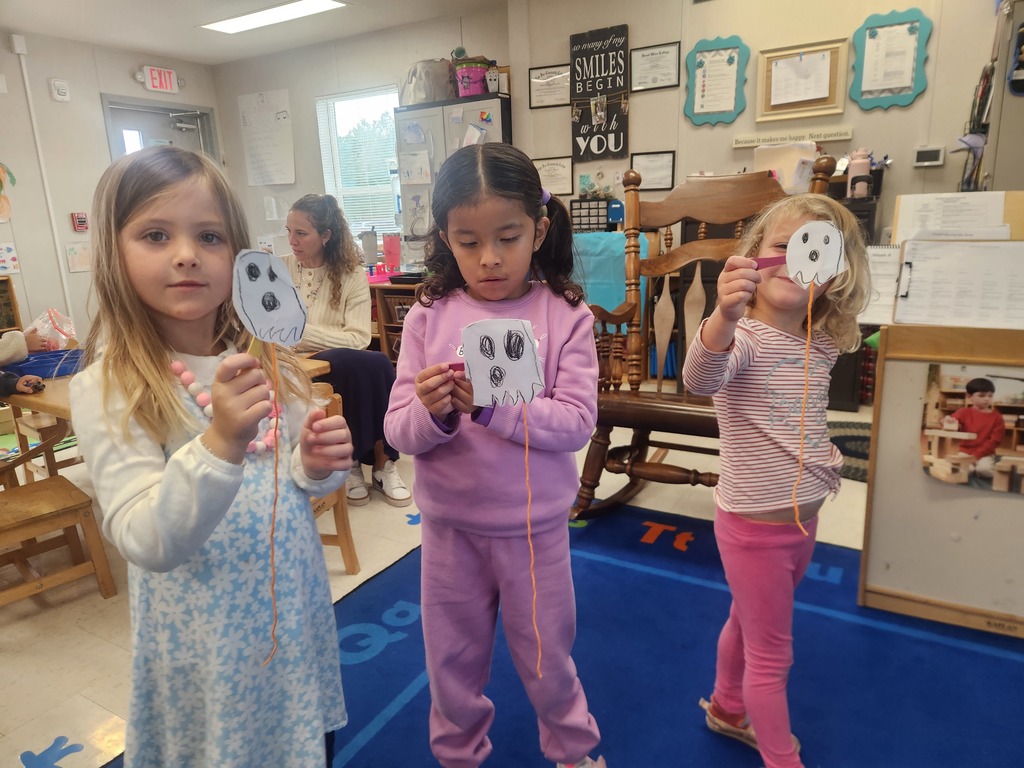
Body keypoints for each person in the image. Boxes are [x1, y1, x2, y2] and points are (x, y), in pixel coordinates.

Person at [71, 146, 352, 768]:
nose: (186, 254)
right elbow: (147, 539)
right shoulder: (110, 387)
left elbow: (303, 477)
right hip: (205, 648)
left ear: (239, 256)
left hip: (293, 625)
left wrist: (319, 462)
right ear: (113, 256)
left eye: (209, 236)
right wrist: (219, 441)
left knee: (308, 750)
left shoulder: (270, 360)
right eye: (154, 234)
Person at [384, 143, 606, 768]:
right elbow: (399, 430)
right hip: (449, 527)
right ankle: (457, 756)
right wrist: (437, 412)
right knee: (450, 662)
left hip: (532, 530)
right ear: (445, 239)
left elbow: (576, 422)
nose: (488, 258)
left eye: (507, 237)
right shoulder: (430, 314)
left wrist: (493, 408)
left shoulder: (565, 315)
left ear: (538, 230)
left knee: (547, 657)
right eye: (467, 240)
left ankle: (573, 751)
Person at [682, 194, 870, 768]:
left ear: (834, 275)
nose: (793, 260)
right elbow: (699, 376)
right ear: (752, 261)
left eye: (816, 251)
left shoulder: (820, 344)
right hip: (754, 529)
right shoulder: (740, 339)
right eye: (782, 246)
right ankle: (780, 756)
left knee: (746, 618)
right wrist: (722, 317)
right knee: (772, 654)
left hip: (802, 522)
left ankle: (727, 707)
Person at [283, 193, 411, 507]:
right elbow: (274, 334)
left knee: (369, 361)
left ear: (326, 236)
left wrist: (299, 331)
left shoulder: (351, 273)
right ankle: (381, 464)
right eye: (288, 231)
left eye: (301, 233)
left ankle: (359, 464)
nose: (292, 241)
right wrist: (310, 338)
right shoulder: (281, 270)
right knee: (374, 364)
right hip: (293, 364)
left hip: (336, 362)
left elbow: (357, 339)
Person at [944, 377, 1005, 478]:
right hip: (965, 452)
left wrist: (976, 456)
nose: (987, 399)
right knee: (965, 471)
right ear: (969, 396)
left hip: (986, 453)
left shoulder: (997, 417)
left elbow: (995, 441)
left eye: (990, 396)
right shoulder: (963, 412)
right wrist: (947, 421)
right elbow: (951, 422)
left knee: (984, 470)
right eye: (982, 395)